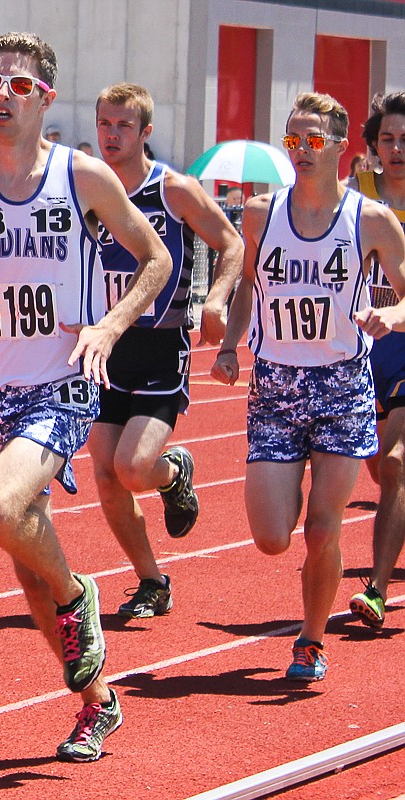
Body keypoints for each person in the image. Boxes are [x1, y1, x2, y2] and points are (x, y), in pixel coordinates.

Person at [0, 32, 171, 761]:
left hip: (62, 379)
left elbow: (156, 256)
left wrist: (113, 325)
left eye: (19, 86)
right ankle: (98, 702)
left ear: (44, 98)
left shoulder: (83, 175)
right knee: (26, 570)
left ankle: (79, 593)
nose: (2, 95)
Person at [210, 92, 405, 681]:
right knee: (272, 536)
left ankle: (311, 641)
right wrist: (227, 341)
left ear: (343, 147)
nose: (302, 150)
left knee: (323, 530)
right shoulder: (261, 213)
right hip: (276, 387)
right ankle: (290, 492)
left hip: (343, 385)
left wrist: (392, 317)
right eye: (293, 139)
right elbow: (247, 282)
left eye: (314, 139)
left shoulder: (369, 219)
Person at [92, 82, 243, 618]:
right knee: (106, 475)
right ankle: (152, 580)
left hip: (160, 346)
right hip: (105, 346)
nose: (111, 135)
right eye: (104, 124)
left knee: (133, 467)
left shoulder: (173, 189)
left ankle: (173, 471)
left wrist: (217, 300)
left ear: (145, 132)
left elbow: (231, 242)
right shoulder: (88, 187)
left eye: (123, 126)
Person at [347, 92, 405, 629]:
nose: (397, 148)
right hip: (366, 353)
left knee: (395, 464)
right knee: (377, 467)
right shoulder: (358, 196)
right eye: (387, 138)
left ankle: (378, 590)